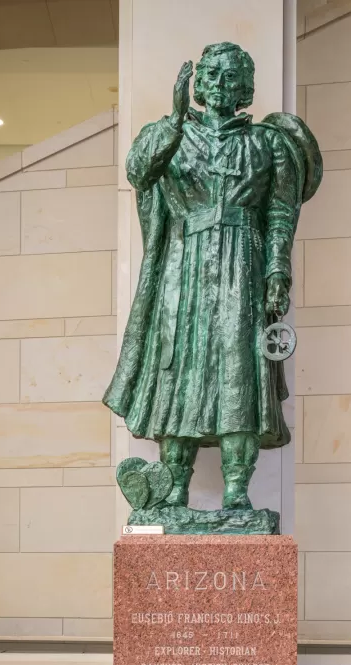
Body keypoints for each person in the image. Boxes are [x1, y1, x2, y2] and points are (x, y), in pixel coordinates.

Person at [103, 42, 321, 511]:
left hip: (243, 266)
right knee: (177, 374)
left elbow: (281, 212)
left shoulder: (267, 143)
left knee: (239, 374)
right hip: (182, 273)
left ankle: (237, 492)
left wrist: (278, 269)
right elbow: (138, 171)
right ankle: (175, 488)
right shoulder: (171, 135)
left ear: (246, 88)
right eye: (213, 77)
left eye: (232, 78)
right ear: (198, 85)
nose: (222, 86)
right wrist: (176, 118)